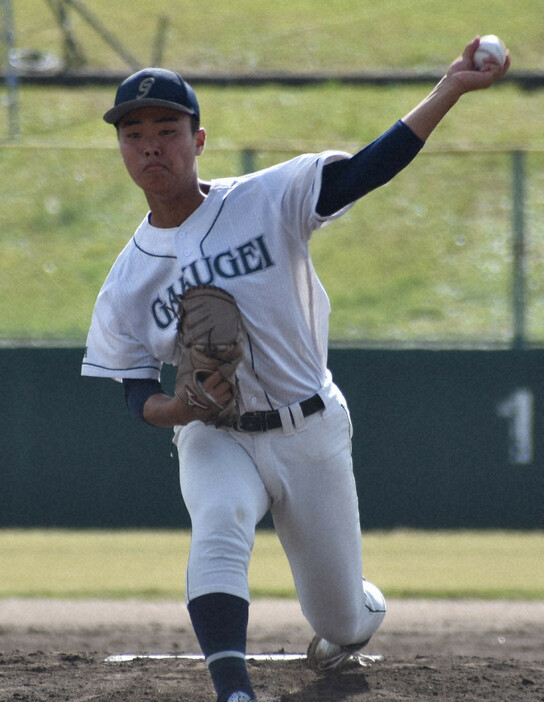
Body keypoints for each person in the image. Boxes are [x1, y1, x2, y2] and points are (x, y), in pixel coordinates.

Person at [82, 38, 509, 702]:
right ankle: (234, 690)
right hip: (216, 432)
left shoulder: (266, 198)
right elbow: (136, 392)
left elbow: (367, 169)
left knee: (342, 619)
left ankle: (355, 609)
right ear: (122, 149)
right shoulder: (129, 279)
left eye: (167, 131)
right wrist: (181, 409)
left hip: (309, 429)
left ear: (198, 139)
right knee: (220, 518)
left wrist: (448, 89)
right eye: (134, 135)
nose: (150, 147)